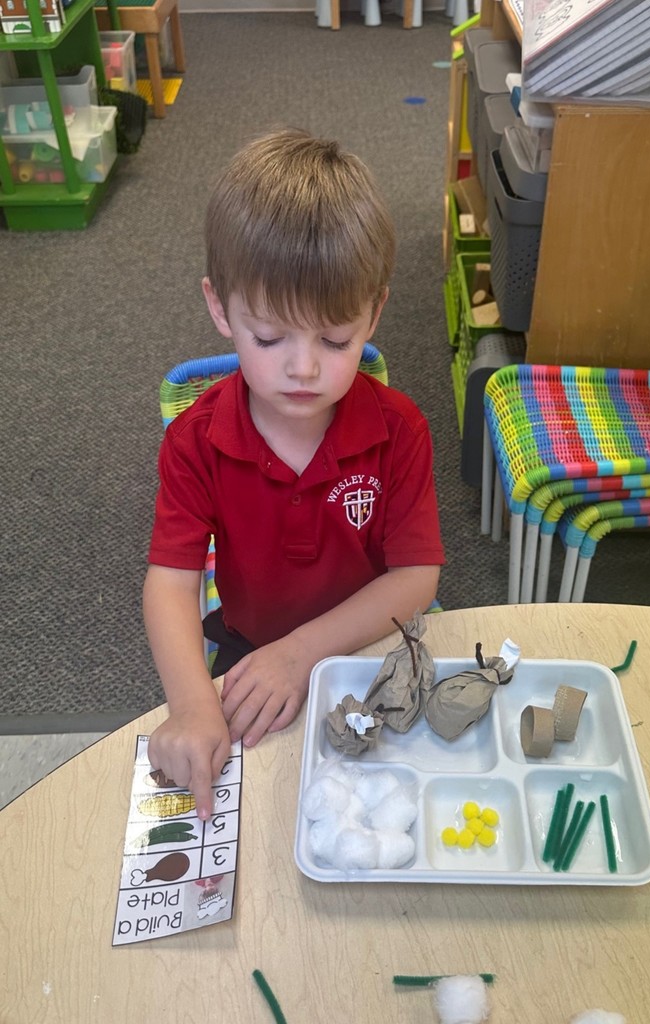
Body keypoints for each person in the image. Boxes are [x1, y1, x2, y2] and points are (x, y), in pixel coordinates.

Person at [143, 127, 445, 819]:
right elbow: (170, 581)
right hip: (251, 650)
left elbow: (415, 579)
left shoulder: (399, 430)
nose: (303, 367)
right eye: (270, 337)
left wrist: (303, 652)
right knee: (253, 818)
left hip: (365, 643)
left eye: (335, 340)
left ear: (374, 312)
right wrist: (191, 706)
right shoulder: (196, 440)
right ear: (220, 308)